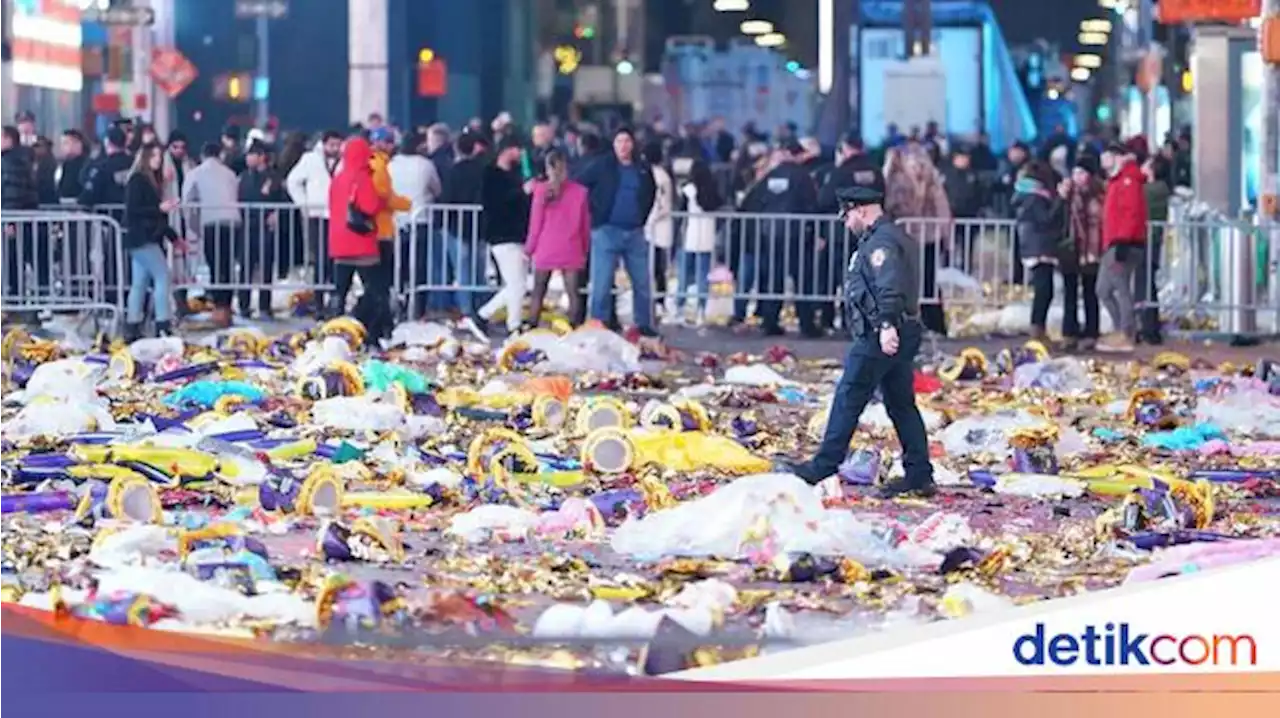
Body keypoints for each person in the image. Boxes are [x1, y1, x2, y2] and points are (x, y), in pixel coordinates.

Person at [776, 186, 936, 500]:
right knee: (901, 404)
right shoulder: (894, 237)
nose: (847, 223)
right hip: (899, 330)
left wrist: (887, 324)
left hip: (881, 333)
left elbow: (889, 287)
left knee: (849, 396)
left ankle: (823, 466)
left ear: (861, 210)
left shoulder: (882, 244)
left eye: (848, 215)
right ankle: (919, 473)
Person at [576, 127, 659, 336]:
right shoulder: (603, 165)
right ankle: (597, 323)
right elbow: (580, 183)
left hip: (634, 233)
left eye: (627, 141)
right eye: (619, 141)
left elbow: (650, 193)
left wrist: (641, 217)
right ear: (613, 144)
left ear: (632, 144)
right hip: (606, 231)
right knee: (601, 283)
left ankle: (643, 325)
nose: (623, 146)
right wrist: (595, 212)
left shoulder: (642, 168)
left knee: (642, 283)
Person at [460, 135, 529, 337]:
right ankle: (484, 316)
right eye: (518, 149)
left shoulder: (516, 174)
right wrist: (521, 192)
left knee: (518, 284)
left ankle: (513, 323)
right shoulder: (491, 175)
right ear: (507, 150)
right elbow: (495, 203)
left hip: (518, 234)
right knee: (517, 284)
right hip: (502, 235)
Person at [328, 135, 390, 344]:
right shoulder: (364, 178)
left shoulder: (338, 178)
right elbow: (371, 206)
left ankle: (333, 333)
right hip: (362, 245)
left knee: (339, 292)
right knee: (373, 291)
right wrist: (382, 201)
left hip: (339, 245)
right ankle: (369, 333)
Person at [524, 149, 591, 328]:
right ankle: (574, 328)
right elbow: (585, 224)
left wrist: (529, 249)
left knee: (538, 292)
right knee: (573, 293)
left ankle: (532, 326)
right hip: (572, 246)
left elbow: (535, 223)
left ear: (547, 168)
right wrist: (584, 249)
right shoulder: (581, 192)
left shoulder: (540, 191)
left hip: (546, 246)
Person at [122, 142, 179, 341]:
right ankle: (162, 323)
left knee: (140, 282)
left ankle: (132, 324)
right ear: (145, 158)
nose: (158, 160)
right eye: (154, 156)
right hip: (143, 238)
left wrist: (173, 237)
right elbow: (134, 210)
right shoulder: (138, 180)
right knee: (162, 276)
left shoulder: (149, 181)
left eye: (160, 157)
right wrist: (159, 208)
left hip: (142, 238)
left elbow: (157, 216)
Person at [182, 142, 242, 328]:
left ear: (202, 155)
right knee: (228, 265)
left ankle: (219, 309)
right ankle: (227, 305)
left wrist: (194, 227)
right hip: (233, 222)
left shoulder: (196, 173)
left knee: (216, 266)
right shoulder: (230, 174)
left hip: (211, 222)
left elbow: (187, 201)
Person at [1096, 142, 1149, 353]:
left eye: (1106, 155)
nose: (1102, 160)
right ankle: (1122, 331)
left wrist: (1124, 240)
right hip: (1114, 242)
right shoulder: (1118, 180)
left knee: (1120, 287)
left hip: (1123, 243)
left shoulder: (1128, 180)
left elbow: (1131, 213)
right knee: (1104, 289)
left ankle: (1126, 333)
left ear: (1117, 156)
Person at [286, 130, 344, 312]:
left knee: (337, 260)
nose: (335, 149)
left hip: (338, 217)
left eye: (338, 145)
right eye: (331, 145)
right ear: (324, 144)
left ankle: (335, 302)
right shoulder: (310, 159)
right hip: (317, 216)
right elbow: (293, 181)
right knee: (319, 260)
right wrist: (304, 204)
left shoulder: (344, 160)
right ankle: (319, 303)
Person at [389, 130, 443, 318]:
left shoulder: (391, 164)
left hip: (397, 219)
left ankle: (399, 300)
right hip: (420, 219)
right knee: (419, 265)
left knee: (399, 264)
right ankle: (418, 306)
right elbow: (437, 189)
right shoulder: (426, 165)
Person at [1012, 161, 1066, 341]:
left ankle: (1038, 327)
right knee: (1044, 290)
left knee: (1044, 289)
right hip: (1040, 247)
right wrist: (1060, 200)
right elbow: (1046, 219)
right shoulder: (1036, 197)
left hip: (1033, 245)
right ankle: (1037, 328)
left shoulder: (1026, 195)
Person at [1058, 154, 1104, 350]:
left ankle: (1091, 332)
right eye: (1075, 172)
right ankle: (1069, 332)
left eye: (1082, 172)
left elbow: (1099, 222)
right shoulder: (1067, 194)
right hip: (1071, 248)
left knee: (1089, 291)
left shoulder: (1098, 195)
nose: (1077, 176)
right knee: (1069, 292)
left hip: (1091, 250)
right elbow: (1057, 217)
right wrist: (1061, 198)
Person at [237, 141, 285, 317]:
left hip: (265, 227)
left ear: (261, 157)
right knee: (246, 267)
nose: (248, 158)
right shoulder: (244, 176)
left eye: (252, 155)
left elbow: (281, 199)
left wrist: (275, 213)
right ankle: (244, 305)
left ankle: (264, 306)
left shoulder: (273, 177)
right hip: (247, 226)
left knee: (265, 267)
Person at [674, 154, 722, 326]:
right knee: (703, 275)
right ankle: (701, 311)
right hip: (707, 235)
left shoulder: (688, 190)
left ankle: (679, 308)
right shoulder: (712, 189)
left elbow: (680, 213)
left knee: (685, 274)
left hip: (690, 235)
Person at [1139, 154, 1171, 346]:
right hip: (1152, 240)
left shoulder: (1152, 190)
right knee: (1148, 282)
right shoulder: (1160, 189)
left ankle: (1149, 328)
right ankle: (1150, 327)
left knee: (1147, 284)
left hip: (1148, 240)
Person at [644, 141, 675, 323]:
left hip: (656, 227)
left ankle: (659, 301)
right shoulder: (660, 175)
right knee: (655, 268)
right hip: (653, 227)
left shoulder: (659, 177)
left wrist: (650, 218)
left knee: (657, 267)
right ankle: (656, 301)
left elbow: (663, 203)